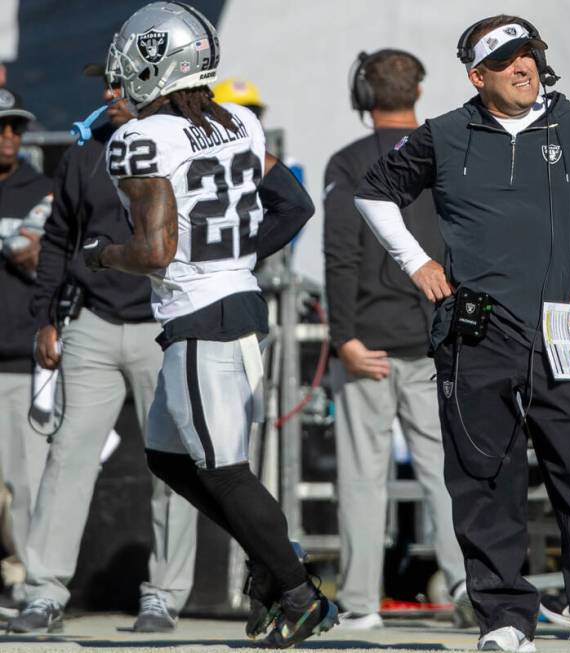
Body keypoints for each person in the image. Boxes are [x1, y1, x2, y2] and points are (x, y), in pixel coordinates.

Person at [354, 14, 570, 653]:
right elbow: (374, 193)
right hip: (476, 332)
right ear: (478, 75)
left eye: (531, 55)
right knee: (483, 480)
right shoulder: (443, 133)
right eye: (508, 60)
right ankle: (504, 618)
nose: (524, 67)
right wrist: (417, 261)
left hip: (564, 328)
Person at [74, 3, 333, 648]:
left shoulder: (141, 139)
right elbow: (294, 204)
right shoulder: (239, 122)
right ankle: (273, 549)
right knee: (167, 456)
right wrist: (238, 257)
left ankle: (296, 589)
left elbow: (155, 253)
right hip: (233, 304)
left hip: (202, 315)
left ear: (158, 63)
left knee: (222, 467)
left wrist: (102, 254)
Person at [10, 68, 198, 636]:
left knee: (173, 465)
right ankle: (43, 591)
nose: (110, 97)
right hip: (90, 322)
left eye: (123, 86)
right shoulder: (84, 154)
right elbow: (59, 240)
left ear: (155, 90)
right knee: (66, 457)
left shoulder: (185, 145)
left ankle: (164, 594)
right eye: (107, 87)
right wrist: (46, 318)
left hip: (163, 322)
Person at [323, 48, 469, 629]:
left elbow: (339, 255)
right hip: (438, 338)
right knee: (446, 473)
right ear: (419, 90)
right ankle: (467, 588)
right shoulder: (452, 152)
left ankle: (360, 604)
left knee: (363, 477)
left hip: (371, 342)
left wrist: (342, 337)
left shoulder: (349, 160)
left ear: (365, 96)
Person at [0, 89, 50, 610]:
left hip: (17, 358)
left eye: (16, 127)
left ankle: (29, 584)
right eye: (1, 127)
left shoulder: (43, 191)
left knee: (24, 484)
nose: (9, 136)